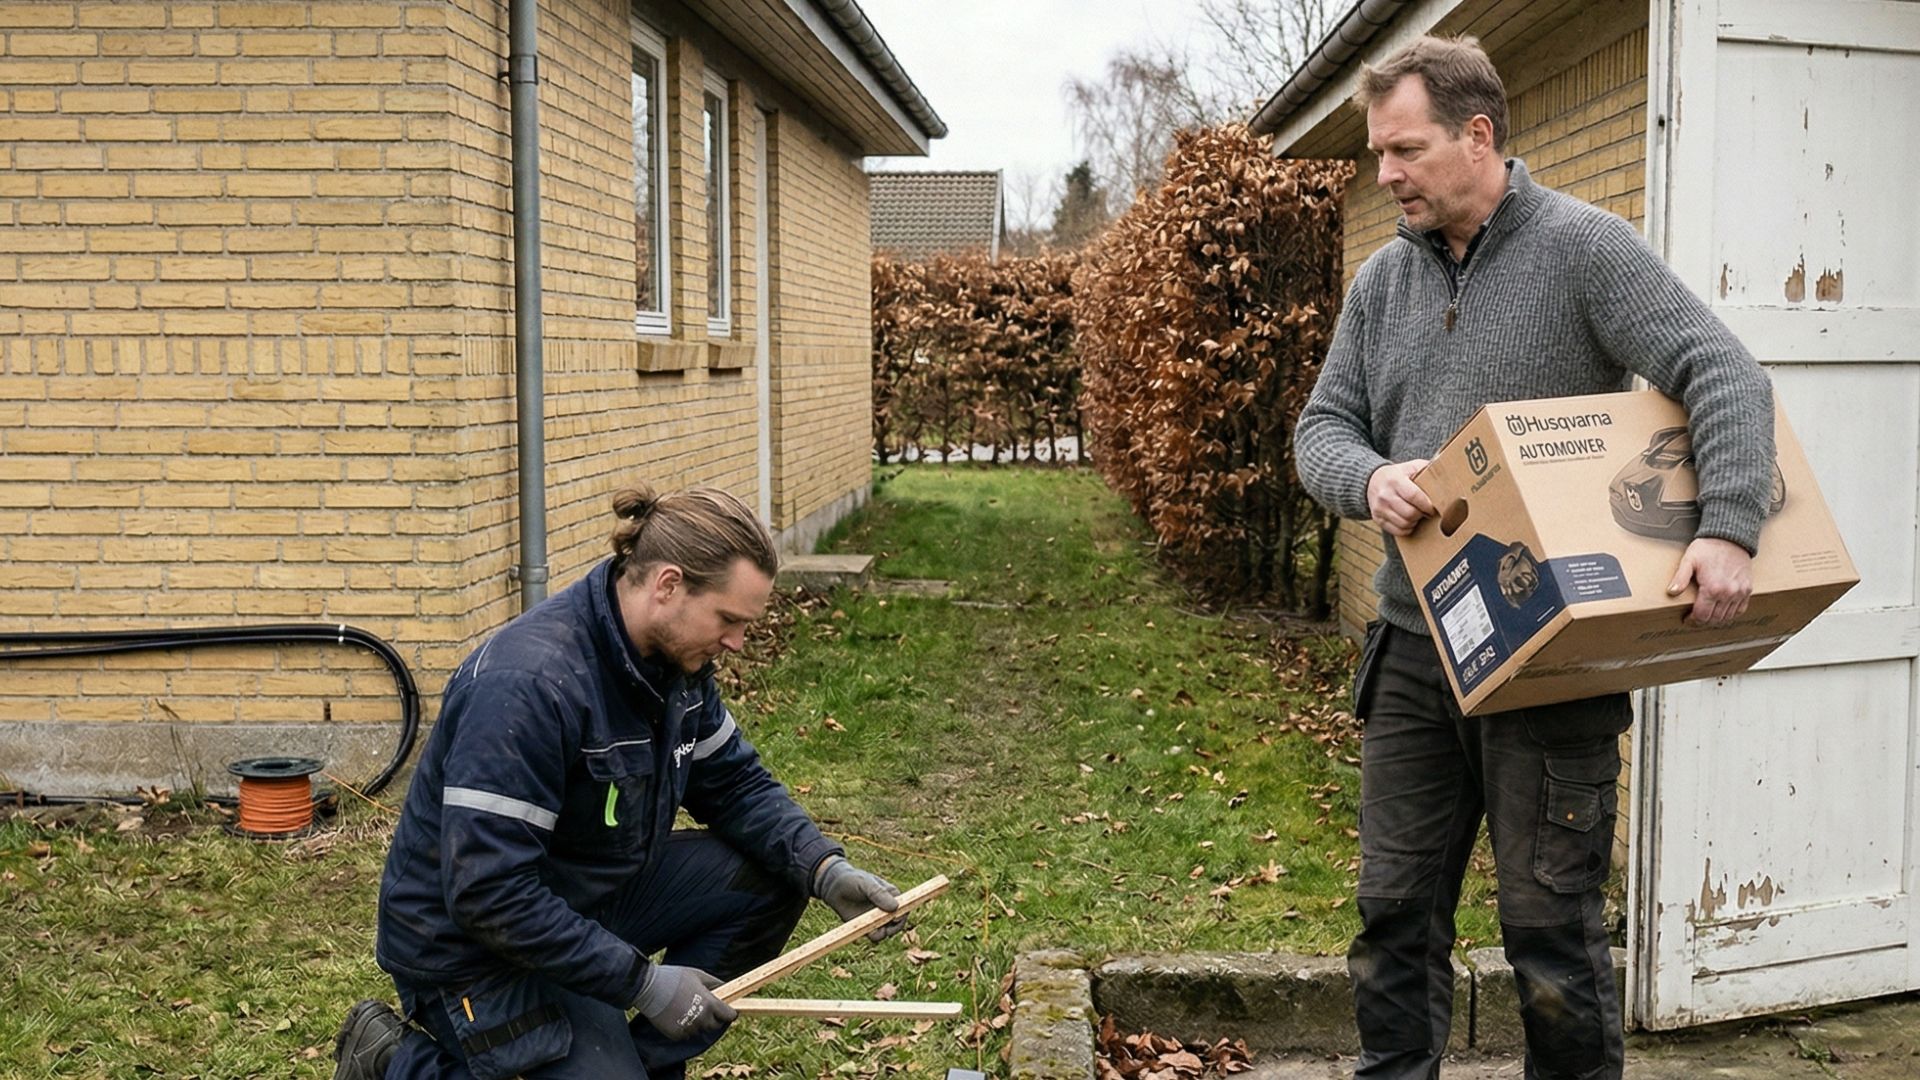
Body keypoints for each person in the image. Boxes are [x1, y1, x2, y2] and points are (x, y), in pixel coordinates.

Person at [1292, 35, 1775, 1080]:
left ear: (1479, 136)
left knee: (1550, 933)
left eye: (1405, 150)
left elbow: (1722, 370)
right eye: (1378, 153)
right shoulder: (1381, 283)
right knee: (1393, 916)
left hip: (1549, 665)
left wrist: (1728, 526)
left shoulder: (1585, 250)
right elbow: (1322, 428)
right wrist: (1365, 478)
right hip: (1417, 652)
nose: (1385, 175)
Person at [331, 485, 906, 1080]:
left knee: (772, 874)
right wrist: (645, 983)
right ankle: (395, 1061)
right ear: (668, 586)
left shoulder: (676, 666)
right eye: (729, 620)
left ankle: (633, 1065)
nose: (736, 642)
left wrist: (822, 867)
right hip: (472, 949)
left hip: (582, 902)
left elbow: (734, 784)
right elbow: (487, 894)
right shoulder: (528, 686)